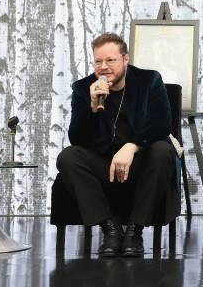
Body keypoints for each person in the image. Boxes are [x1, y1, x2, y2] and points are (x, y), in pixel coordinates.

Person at [56, 33, 180, 257]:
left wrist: (132, 146)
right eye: (98, 61)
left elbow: (162, 125)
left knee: (162, 150)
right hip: (106, 166)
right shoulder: (83, 89)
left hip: (143, 164)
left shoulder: (149, 81)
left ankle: (134, 232)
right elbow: (78, 140)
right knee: (68, 156)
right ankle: (110, 230)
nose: (103, 67)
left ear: (125, 59)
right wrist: (92, 108)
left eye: (110, 60)